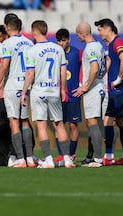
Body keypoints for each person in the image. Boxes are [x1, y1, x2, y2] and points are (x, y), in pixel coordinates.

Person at [21, 20, 74, 169]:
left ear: (34, 31)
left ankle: (49, 160)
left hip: (39, 92)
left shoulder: (32, 50)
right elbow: (63, 71)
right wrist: (63, 89)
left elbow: (30, 73)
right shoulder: (58, 49)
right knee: (60, 125)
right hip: (54, 91)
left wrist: (24, 91)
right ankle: (67, 159)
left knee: (42, 126)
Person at [0, 16, 35, 168]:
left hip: (12, 86)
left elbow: (4, 67)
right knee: (25, 121)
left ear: (6, 27)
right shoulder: (29, 42)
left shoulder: (7, 43)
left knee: (14, 122)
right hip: (26, 86)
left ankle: (20, 159)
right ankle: (30, 158)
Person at [95, 18, 123, 166]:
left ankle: (109, 156)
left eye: (100, 29)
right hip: (120, 90)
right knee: (121, 121)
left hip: (119, 89)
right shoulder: (112, 44)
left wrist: (118, 79)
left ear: (107, 29)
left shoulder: (117, 42)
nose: (99, 32)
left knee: (108, 121)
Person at [73, 21, 106, 167]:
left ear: (83, 33)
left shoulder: (90, 49)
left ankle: (98, 159)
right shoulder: (99, 45)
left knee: (92, 122)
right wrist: (100, 77)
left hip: (92, 88)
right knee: (99, 123)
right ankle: (104, 155)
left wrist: (85, 86)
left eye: (78, 34)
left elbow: (94, 67)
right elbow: (107, 62)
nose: (77, 37)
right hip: (101, 85)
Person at [54, 28, 82, 166]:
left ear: (69, 40)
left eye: (63, 40)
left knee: (73, 125)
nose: (61, 43)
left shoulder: (77, 53)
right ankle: (61, 155)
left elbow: (89, 67)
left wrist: (83, 86)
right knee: (58, 125)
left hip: (73, 95)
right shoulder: (54, 53)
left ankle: (71, 154)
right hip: (57, 96)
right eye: (59, 41)